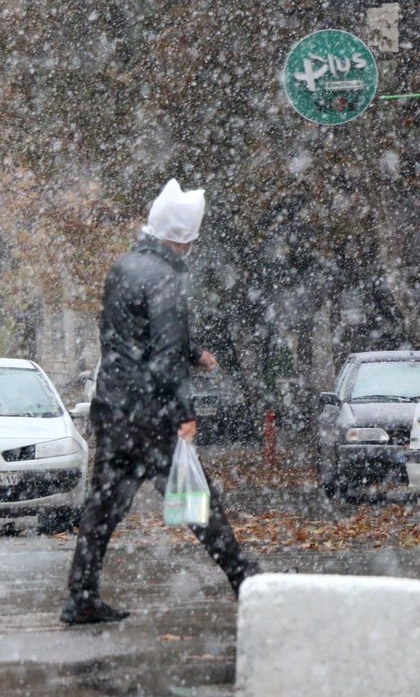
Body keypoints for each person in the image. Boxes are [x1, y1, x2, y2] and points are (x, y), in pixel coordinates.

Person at [60, 179, 260, 625]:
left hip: (114, 407)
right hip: (151, 415)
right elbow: (165, 350)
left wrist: (193, 353)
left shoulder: (124, 267)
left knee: (103, 507)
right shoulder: (167, 278)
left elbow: (130, 334)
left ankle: (81, 594)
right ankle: (245, 580)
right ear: (182, 237)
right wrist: (183, 413)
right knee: (196, 500)